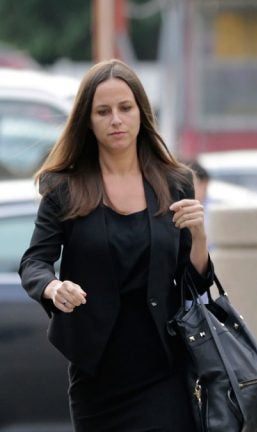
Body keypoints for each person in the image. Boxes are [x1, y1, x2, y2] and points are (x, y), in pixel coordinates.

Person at [18, 59, 212, 431]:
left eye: (125, 108)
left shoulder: (174, 183)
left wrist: (199, 235)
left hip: (164, 364)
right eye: (103, 111)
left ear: (141, 112)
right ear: (87, 121)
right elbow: (34, 262)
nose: (116, 120)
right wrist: (53, 287)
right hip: (97, 371)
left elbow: (195, 281)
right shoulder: (65, 187)